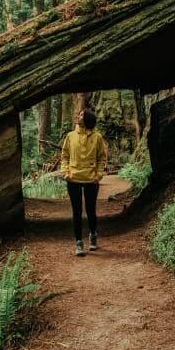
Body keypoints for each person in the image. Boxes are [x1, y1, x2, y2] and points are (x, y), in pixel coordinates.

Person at [60, 106, 107, 256]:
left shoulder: (97, 137)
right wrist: (65, 173)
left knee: (91, 211)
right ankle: (79, 243)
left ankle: (93, 235)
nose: (78, 116)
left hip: (91, 180)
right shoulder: (70, 136)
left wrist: (98, 175)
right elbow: (64, 156)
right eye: (79, 114)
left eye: (81, 115)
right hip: (73, 179)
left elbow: (102, 157)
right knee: (77, 212)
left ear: (87, 119)